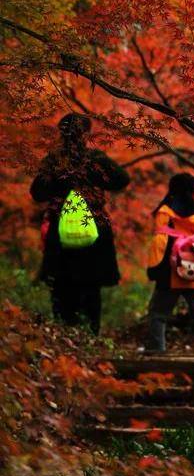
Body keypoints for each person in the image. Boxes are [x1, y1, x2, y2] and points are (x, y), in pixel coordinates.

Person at [30, 111, 130, 334]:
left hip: (61, 228)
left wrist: (60, 189)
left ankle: (65, 337)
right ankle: (91, 335)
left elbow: (37, 193)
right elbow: (122, 179)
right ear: (85, 133)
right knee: (91, 287)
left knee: (61, 287)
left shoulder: (54, 161)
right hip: (94, 226)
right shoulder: (96, 159)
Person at [146, 171, 194, 354]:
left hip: (169, 276)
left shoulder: (165, 213)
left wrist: (154, 270)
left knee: (158, 313)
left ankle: (156, 348)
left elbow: (160, 245)